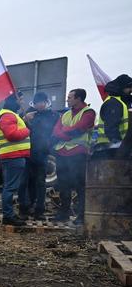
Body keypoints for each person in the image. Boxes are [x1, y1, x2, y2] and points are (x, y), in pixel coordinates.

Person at [51, 88, 96, 224]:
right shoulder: (65, 114)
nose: (67, 99)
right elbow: (55, 132)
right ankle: (64, 213)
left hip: (78, 154)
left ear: (79, 99)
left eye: (70, 97)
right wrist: (65, 133)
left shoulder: (89, 112)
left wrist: (63, 133)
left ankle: (81, 216)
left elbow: (79, 129)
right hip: (62, 153)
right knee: (63, 185)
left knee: (79, 186)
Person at [18, 92, 60, 220]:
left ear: (46, 102)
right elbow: (18, 128)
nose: (39, 105)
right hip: (27, 153)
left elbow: (57, 133)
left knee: (40, 183)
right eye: (37, 103)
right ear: (34, 103)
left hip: (42, 154)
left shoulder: (53, 115)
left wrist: (49, 146)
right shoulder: (28, 114)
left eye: (41, 102)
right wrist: (24, 120)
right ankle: (24, 209)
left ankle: (39, 210)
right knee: (24, 182)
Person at [0, 92, 31, 226]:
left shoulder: (10, 115)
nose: (22, 102)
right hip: (13, 156)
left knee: (10, 187)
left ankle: (9, 215)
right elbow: (11, 134)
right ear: (14, 101)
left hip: (15, 156)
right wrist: (27, 130)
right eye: (21, 100)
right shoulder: (7, 115)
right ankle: (8, 216)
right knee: (10, 188)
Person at [92, 74, 132, 156]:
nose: (131, 90)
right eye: (129, 87)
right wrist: (120, 147)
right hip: (110, 149)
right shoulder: (113, 103)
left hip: (115, 148)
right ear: (122, 87)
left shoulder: (120, 102)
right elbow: (111, 129)